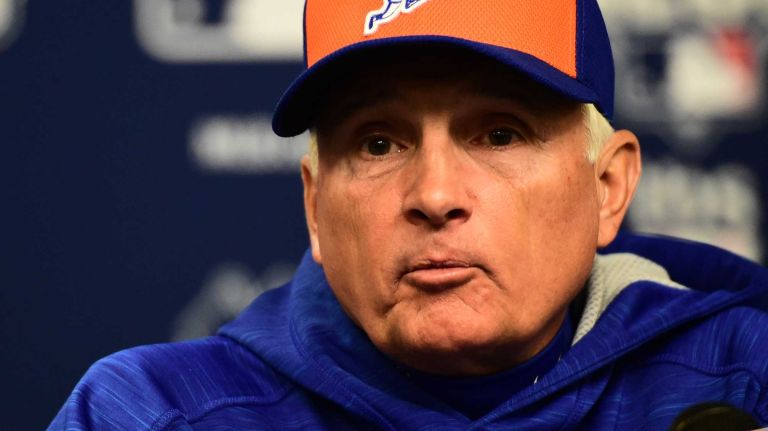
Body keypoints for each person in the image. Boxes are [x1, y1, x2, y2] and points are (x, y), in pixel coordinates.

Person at [49, 0, 768, 429]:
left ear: (608, 187)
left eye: (499, 133)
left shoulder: (741, 382)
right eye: (379, 141)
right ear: (315, 206)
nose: (433, 193)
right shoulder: (151, 413)